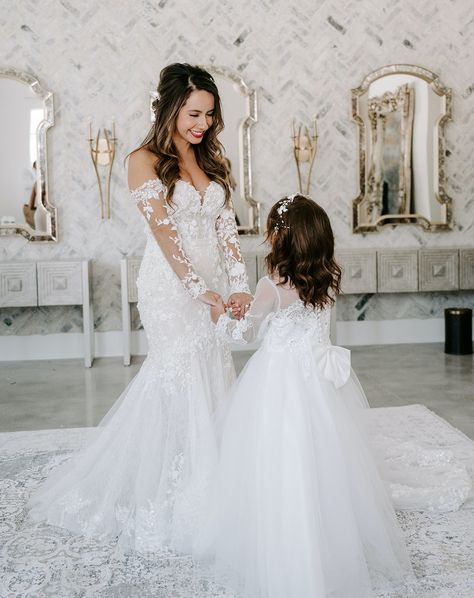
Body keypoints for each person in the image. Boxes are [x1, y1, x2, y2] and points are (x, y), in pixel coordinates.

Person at [27, 63, 252, 554]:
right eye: (195, 113)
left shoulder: (214, 161)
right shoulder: (142, 160)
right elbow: (165, 237)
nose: (204, 124)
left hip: (212, 284)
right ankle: (170, 486)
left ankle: (216, 480)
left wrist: (237, 285)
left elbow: (227, 232)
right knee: (180, 373)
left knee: (214, 369)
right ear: (171, 107)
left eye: (210, 115)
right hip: (170, 289)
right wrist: (197, 289)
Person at [200, 194, 414, 598]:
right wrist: (253, 306)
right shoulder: (328, 278)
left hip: (279, 381)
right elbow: (293, 318)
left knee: (277, 455)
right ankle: (326, 531)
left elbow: (244, 334)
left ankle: (284, 534)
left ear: (280, 239)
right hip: (316, 383)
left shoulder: (271, 285)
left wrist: (220, 316)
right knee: (321, 453)